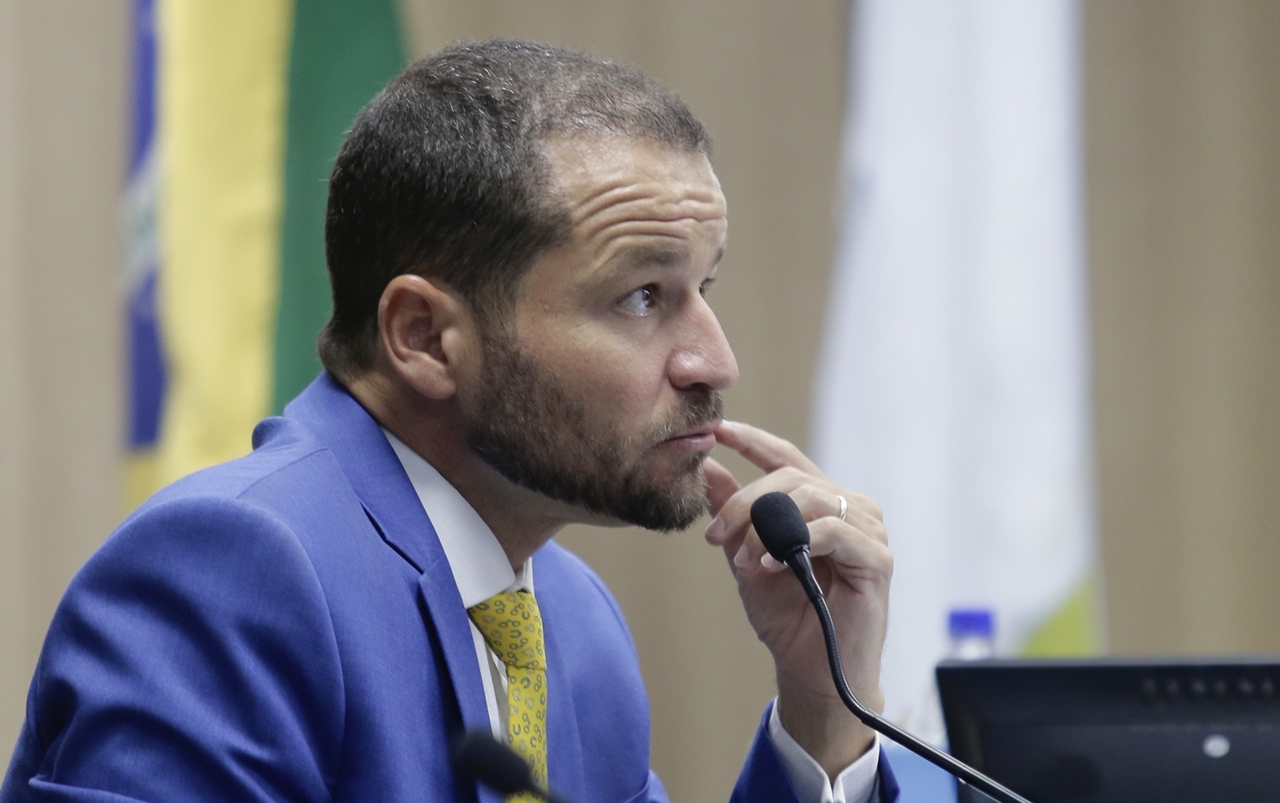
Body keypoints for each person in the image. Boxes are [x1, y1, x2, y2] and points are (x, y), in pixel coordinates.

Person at [1, 40, 897, 803]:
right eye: (640, 296)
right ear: (425, 337)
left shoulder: (575, 624)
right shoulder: (231, 573)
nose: (714, 361)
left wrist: (823, 703)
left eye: (704, 287)